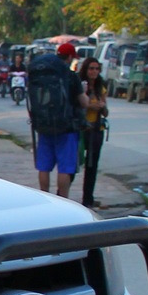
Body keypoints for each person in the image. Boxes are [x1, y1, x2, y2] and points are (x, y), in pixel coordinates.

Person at [27, 41, 87, 197]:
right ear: (68, 58)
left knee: (44, 167)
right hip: (66, 129)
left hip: (43, 126)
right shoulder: (71, 76)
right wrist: (84, 90)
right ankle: (63, 199)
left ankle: (44, 196)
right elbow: (83, 102)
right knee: (65, 169)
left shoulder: (41, 74)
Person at [78, 56, 109, 207]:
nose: (94, 72)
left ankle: (88, 199)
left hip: (96, 129)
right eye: (91, 68)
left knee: (92, 166)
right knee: (73, 164)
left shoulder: (100, 86)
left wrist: (101, 106)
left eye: (97, 69)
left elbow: (106, 113)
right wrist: (90, 105)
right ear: (86, 69)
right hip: (81, 129)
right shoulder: (79, 84)